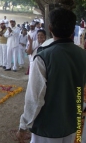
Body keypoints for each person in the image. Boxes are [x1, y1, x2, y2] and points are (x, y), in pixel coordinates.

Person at [17, 8, 86, 143]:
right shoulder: (83, 55)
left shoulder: (43, 57)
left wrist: (23, 125)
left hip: (47, 127)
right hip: (72, 123)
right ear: (73, 30)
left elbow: (35, 97)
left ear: (49, 28)